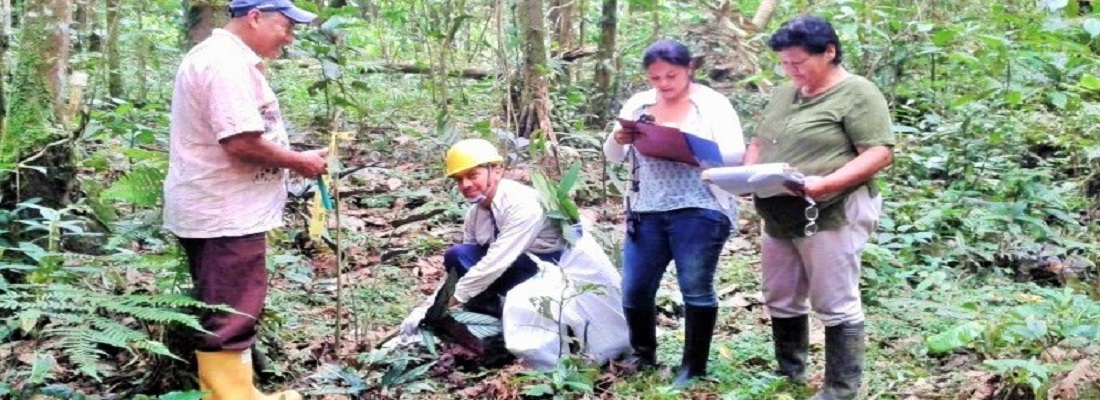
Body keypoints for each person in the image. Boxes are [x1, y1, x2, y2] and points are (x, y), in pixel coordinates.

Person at [162, 1, 327, 398]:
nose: (289, 38)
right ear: (254, 17)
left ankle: (241, 392)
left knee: (234, 306)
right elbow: (239, 141)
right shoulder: (224, 63)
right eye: (285, 27)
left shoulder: (226, 58)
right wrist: (299, 162)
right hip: (223, 211)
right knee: (230, 314)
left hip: (225, 208)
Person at [742, 15, 895, 400]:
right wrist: (745, 174)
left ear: (829, 52)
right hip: (778, 212)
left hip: (832, 211)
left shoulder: (858, 93)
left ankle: (839, 390)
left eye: (799, 62)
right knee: (779, 293)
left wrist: (825, 184)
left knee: (833, 299)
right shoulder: (783, 92)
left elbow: (878, 152)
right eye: (784, 63)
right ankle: (790, 372)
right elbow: (760, 141)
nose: (791, 70)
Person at [603, 39, 744, 387]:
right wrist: (622, 137)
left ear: (689, 70)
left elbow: (735, 153)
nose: (664, 84)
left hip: (701, 205)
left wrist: (687, 144)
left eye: (671, 76)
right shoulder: (640, 103)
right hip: (646, 206)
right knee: (635, 288)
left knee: (694, 286)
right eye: (656, 78)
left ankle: (692, 367)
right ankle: (644, 355)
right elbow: (613, 154)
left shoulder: (711, 104)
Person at [400, 138, 565, 333]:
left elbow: (496, 262)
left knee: (479, 268)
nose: (466, 185)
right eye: (459, 179)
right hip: (508, 267)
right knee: (458, 255)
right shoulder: (475, 214)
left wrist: (439, 308)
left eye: (472, 175)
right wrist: (428, 305)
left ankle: (507, 321)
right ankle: (489, 315)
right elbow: (457, 271)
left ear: (497, 170)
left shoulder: (523, 204)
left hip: (545, 272)